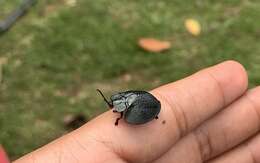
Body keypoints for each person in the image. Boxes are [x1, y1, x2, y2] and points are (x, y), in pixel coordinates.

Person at [14, 61, 260, 163]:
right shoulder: (123, 107)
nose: (112, 110)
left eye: (114, 108)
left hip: (148, 107)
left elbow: (135, 107)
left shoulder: (126, 112)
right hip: (145, 106)